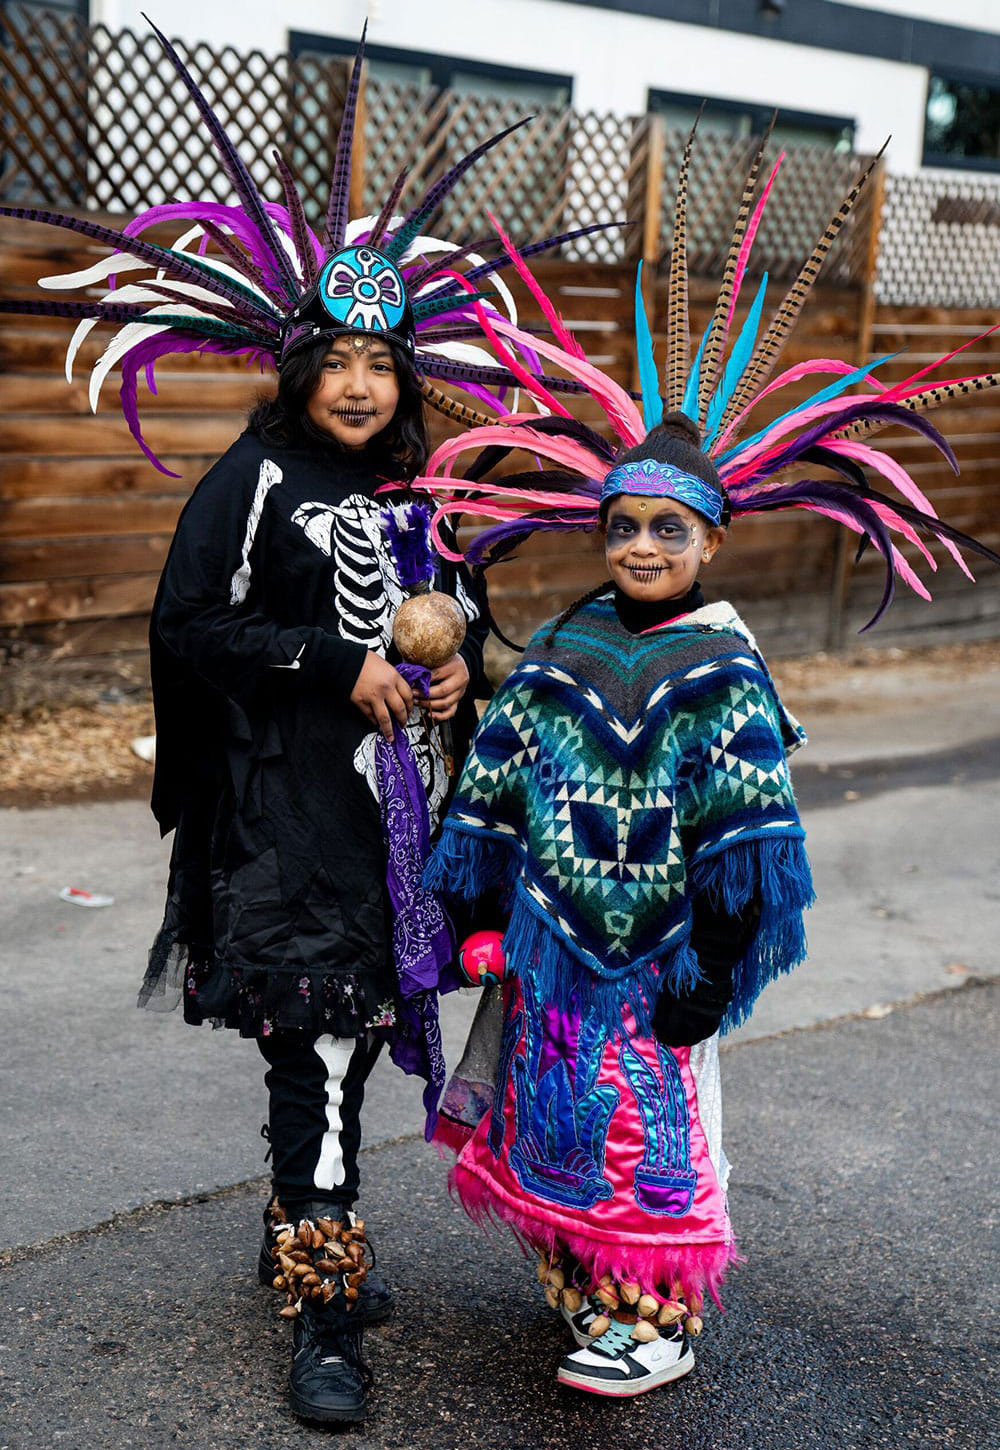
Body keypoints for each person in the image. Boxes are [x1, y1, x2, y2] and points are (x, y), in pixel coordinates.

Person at [0, 22, 597, 1426]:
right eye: (335, 360)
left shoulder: (426, 496)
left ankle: (297, 1228)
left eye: (381, 363)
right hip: (285, 827)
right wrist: (337, 666)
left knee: (345, 1043)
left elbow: (460, 624)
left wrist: (459, 684)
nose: (358, 385)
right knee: (320, 1055)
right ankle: (326, 1310)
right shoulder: (252, 478)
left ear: (405, 377)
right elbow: (189, 628)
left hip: (402, 828)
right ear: (298, 367)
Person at [415, 132, 1000, 1399]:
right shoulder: (567, 640)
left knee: (643, 1131)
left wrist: (716, 967)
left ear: (709, 541)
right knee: (552, 1111)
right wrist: (475, 908)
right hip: (549, 948)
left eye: (664, 529)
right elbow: (500, 776)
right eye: (619, 525)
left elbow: (748, 829)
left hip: (658, 962)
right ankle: (579, 1285)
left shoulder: (720, 667)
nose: (637, 544)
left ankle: (655, 1317)